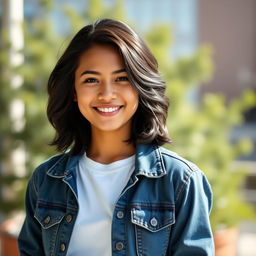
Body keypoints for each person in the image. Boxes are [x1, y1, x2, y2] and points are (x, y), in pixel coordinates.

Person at [18, 18, 214, 256]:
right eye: (91, 80)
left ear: (140, 85)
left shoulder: (180, 181)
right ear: (73, 91)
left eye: (121, 78)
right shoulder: (45, 181)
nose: (106, 94)